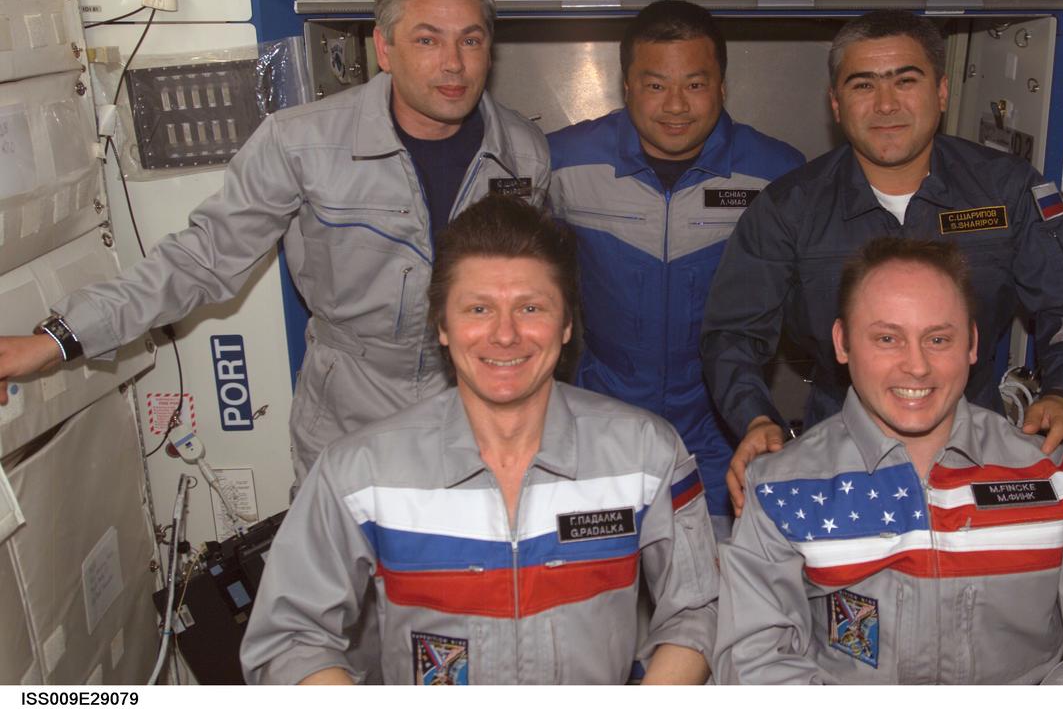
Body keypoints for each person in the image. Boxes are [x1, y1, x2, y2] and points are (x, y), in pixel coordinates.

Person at [0, 0, 550, 481]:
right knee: (342, 573)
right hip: (350, 413)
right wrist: (58, 339)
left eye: (470, 40)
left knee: (469, 569)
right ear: (384, 47)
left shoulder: (523, 153)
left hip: (484, 410)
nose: (453, 64)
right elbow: (202, 260)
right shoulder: (301, 142)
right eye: (427, 39)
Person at [240, 195, 718, 685]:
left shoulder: (647, 456)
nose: (505, 335)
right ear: (442, 326)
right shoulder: (360, 473)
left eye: (531, 307)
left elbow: (699, 609)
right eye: (478, 308)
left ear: (568, 324)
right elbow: (289, 638)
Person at [713, 237, 1063, 684]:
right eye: (886, 339)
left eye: (938, 339)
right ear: (842, 343)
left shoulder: (1052, 474)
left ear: (973, 344)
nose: (916, 366)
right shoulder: (780, 488)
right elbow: (754, 661)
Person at [701, 9, 1063, 515]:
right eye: (863, 85)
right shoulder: (791, 209)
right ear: (835, 103)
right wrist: (756, 420)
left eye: (905, 81)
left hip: (978, 451)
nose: (886, 104)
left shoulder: (1007, 190)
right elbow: (733, 334)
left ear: (941, 93)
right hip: (841, 461)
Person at [546, 0, 805, 536]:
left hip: (722, 433)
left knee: (714, 601)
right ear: (626, 86)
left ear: (723, 86)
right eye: (655, 85)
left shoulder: (777, 173)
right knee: (602, 600)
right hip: (600, 428)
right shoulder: (562, 163)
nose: (676, 106)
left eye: (695, 84)